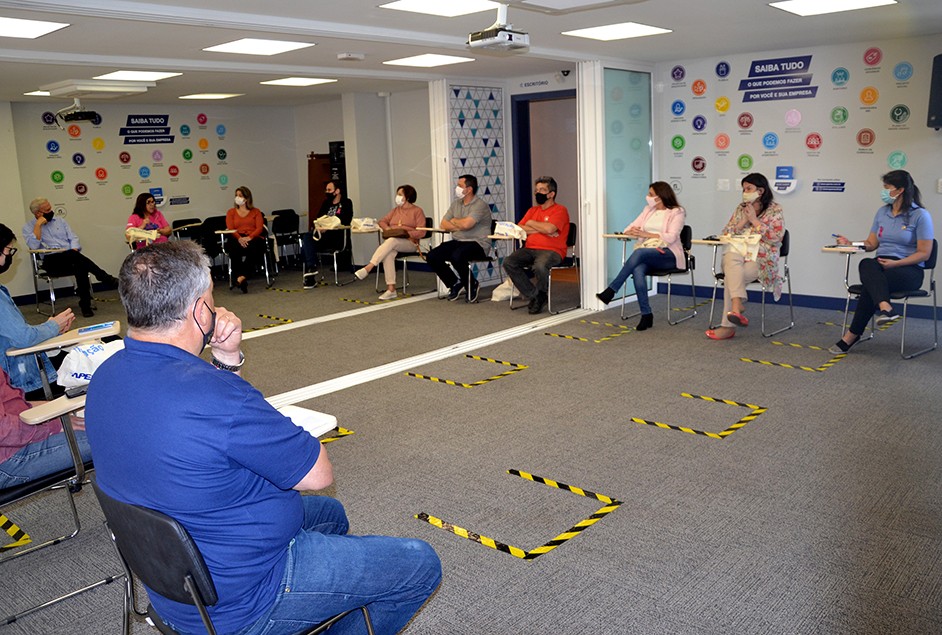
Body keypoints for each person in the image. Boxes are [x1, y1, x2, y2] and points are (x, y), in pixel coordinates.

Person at [84, 241, 441, 635]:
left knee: (331, 515)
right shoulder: (215, 396)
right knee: (420, 564)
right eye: (211, 301)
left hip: (177, 578)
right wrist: (228, 385)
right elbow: (317, 474)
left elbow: (212, 432)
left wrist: (227, 359)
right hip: (246, 597)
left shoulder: (106, 376)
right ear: (199, 311)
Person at [829, 170, 934, 353]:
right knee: (866, 264)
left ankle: (851, 336)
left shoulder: (920, 215)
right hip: (880, 266)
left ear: (900, 190)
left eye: (887, 188)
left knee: (872, 285)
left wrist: (896, 264)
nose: (884, 192)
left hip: (909, 269)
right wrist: (850, 243)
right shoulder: (882, 212)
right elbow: (871, 244)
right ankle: (886, 308)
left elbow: (924, 253)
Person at [705, 173, 785, 340]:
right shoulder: (741, 208)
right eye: (743, 189)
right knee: (731, 258)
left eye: (749, 188)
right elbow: (725, 233)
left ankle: (730, 321)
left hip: (761, 260)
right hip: (737, 256)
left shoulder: (775, 210)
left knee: (730, 278)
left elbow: (776, 238)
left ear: (761, 190)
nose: (745, 192)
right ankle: (736, 307)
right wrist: (742, 222)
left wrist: (755, 221)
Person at [0, 223, 74, 400]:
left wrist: (48, 327)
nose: (10, 256)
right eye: (9, 250)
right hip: (23, 378)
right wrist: (53, 326)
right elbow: (24, 337)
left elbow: (14, 332)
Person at [596, 182, 684, 330]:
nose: (648, 197)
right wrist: (632, 231)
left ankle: (612, 290)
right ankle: (646, 315)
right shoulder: (648, 210)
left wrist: (646, 234)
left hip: (668, 254)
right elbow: (628, 228)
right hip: (648, 252)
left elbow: (671, 237)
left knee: (639, 253)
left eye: (651, 194)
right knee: (638, 270)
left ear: (660, 196)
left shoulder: (677, 212)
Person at [22, 197, 118, 317]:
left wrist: (74, 248)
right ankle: (104, 278)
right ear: (38, 213)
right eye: (47, 209)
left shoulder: (60, 221)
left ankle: (85, 304)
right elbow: (34, 246)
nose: (51, 211)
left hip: (70, 257)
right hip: (51, 261)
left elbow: (73, 237)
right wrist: (38, 225)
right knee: (76, 258)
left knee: (80, 266)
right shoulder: (28, 227)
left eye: (50, 207)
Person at [0, 367, 92, 489]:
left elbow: (9, 404)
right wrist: (53, 426)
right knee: (110, 438)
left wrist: (56, 409)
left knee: (102, 428)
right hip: (8, 460)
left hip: (12, 441)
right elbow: (4, 430)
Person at [503, 177, 570, 315]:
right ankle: (536, 295)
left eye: (542, 190)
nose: (538, 193)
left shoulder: (560, 210)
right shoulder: (533, 210)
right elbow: (519, 228)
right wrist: (541, 227)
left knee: (540, 266)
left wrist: (532, 224)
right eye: (536, 190)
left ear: (551, 194)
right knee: (509, 262)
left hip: (552, 251)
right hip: (530, 248)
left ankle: (539, 295)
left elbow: (550, 229)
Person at [353, 185, 426, 300]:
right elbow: (382, 221)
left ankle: (369, 267)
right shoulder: (395, 210)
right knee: (389, 254)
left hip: (410, 243)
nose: (397, 197)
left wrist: (405, 233)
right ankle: (391, 289)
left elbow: (422, 232)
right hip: (394, 242)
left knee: (391, 241)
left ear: (407, 196)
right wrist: (388, 229)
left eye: (400, 194)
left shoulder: (417, 211)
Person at [425, 174, 491, 301]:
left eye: (460, 186)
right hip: (458, 241)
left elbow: (467, 224)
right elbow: (443, 224)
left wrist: (454, 222)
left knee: (457, 256)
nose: (457, 188)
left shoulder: (480, 205)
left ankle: (471, 284)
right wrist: (459, 225)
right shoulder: (455, 204)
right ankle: (454, 283)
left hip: (478, 243)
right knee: (432, 256)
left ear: (469, 189)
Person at [301, 180, 355, 288]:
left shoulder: (346, 202)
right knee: (306, 238)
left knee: (307, 246)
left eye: (329, 190)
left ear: (337, 191)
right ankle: (312, 268)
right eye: (326, 190)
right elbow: (319, 218)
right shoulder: (326, 203)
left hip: (336, 237)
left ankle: (310, 276)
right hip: (323, 236)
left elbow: (345, 220)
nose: (327, 192)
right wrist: (320, 226)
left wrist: (329, 226)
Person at [224, 186, 265, 293]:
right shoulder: (231, 212)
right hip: (236, 237)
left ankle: (241, 277)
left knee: (256, 248)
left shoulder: (256, 211)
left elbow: (259, 228)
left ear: (247, 198)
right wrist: (240, 238)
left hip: (253, 237)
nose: (237, 198)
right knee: (234, 249)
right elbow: (231, 228)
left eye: (240, 195)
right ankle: (241, 278)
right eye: (236, 195)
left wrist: (249, 237)